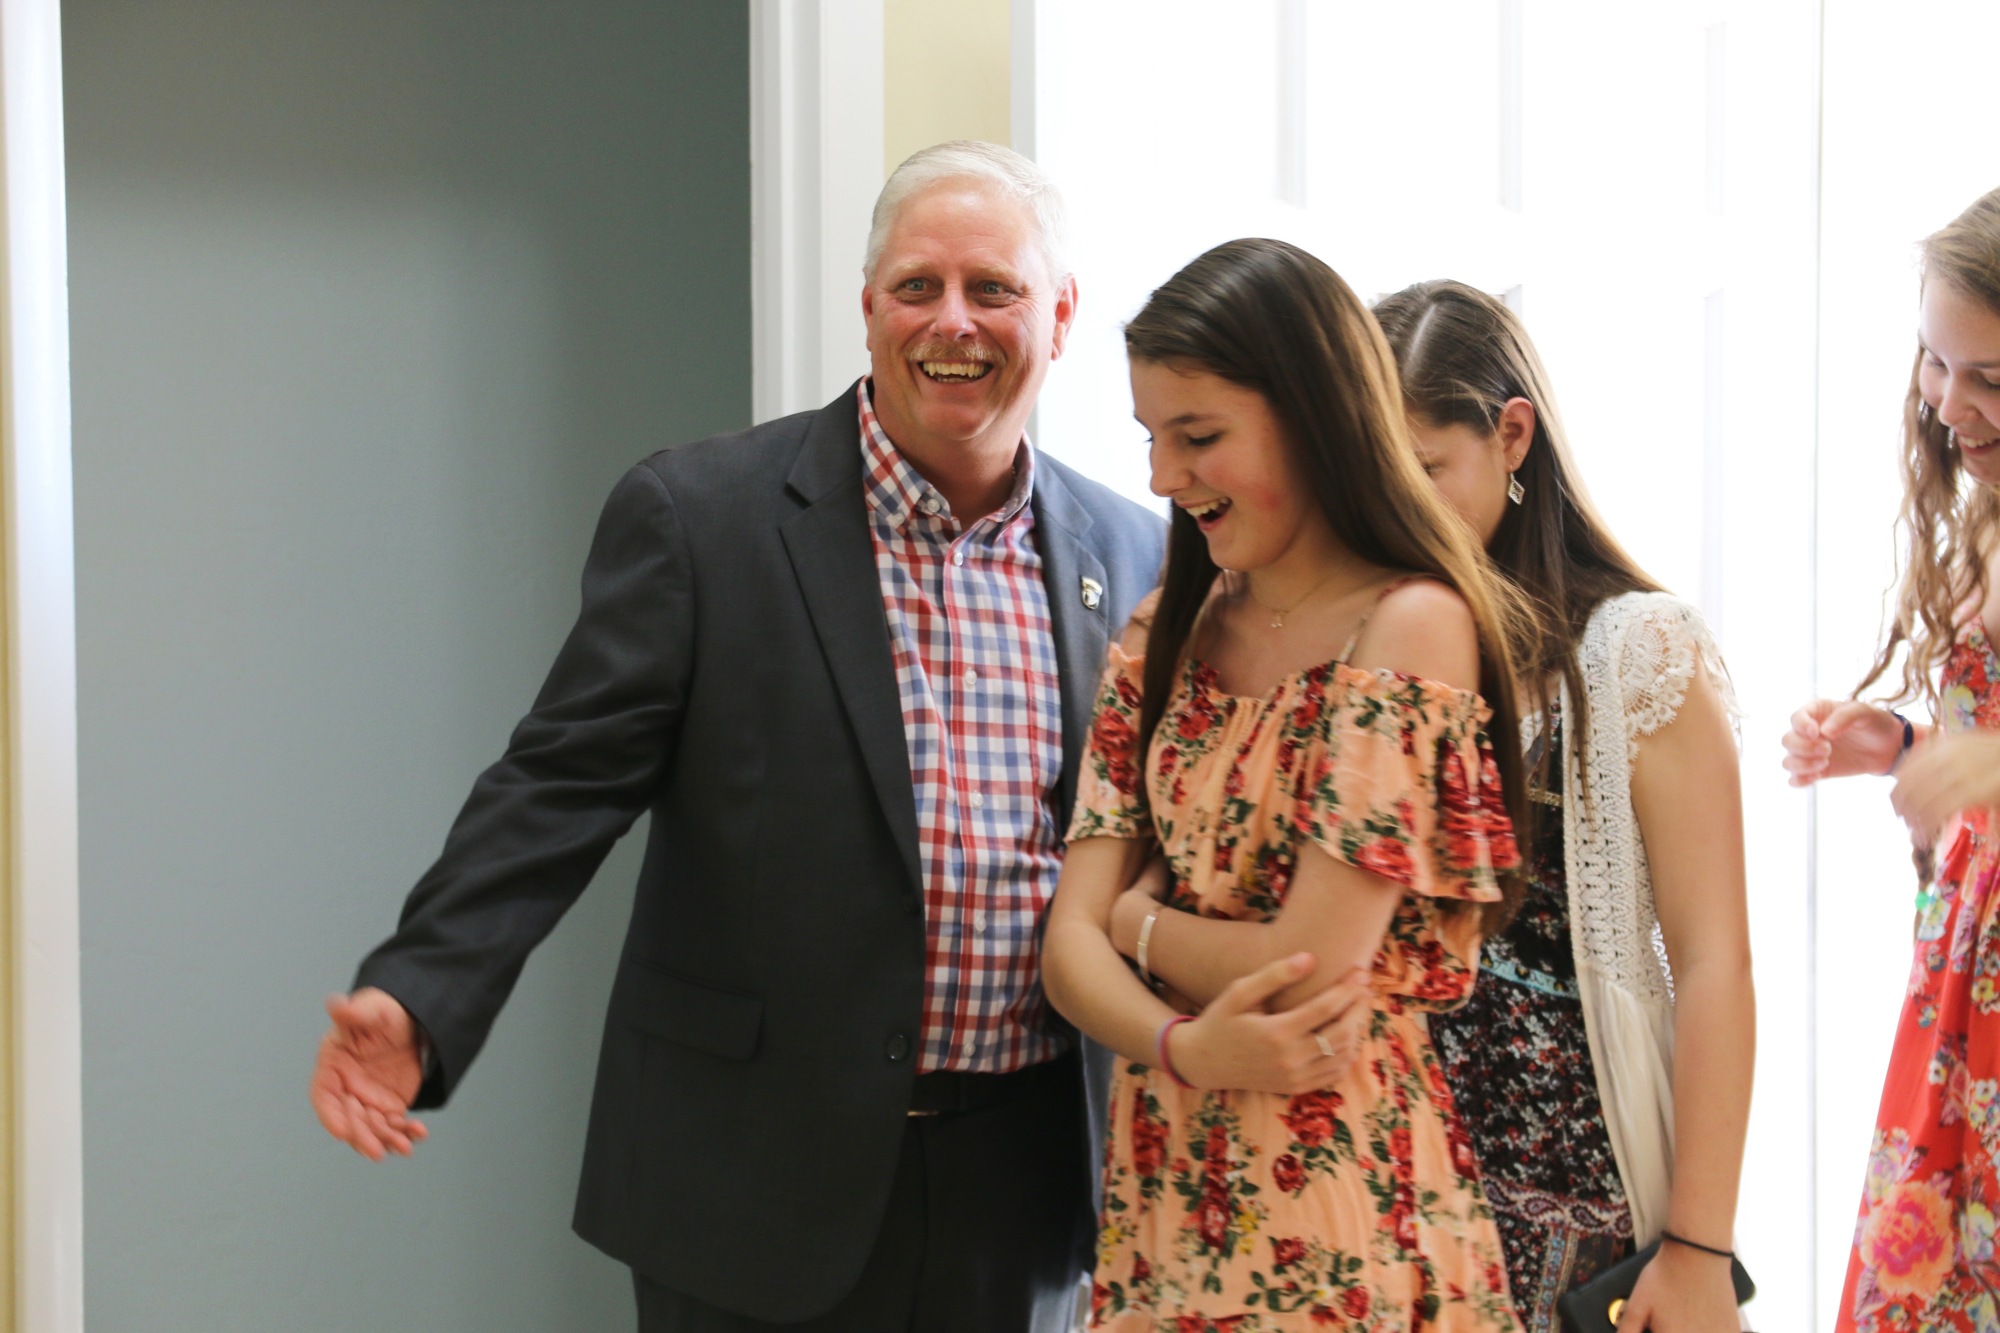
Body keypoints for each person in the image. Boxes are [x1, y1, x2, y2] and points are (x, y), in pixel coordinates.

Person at [306, 140, 1169, 1333]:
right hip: (749, 1181)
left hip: (1021, 1190)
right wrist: (422, 989)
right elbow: (554, 787)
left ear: (1059, 314)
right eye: (916, 286)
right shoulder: (701, 518)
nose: (951, 322)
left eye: (994, 289)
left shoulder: (1138, 557)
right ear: (867, 309)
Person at [1042, 237, 1531, 1331]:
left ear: (1313, 415)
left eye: (1198, 436)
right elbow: (1063, 950)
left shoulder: (1409, 626)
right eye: (1152, 439)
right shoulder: (1162, 632)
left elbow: (1304, 964)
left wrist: (1139, 922)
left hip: (1339, 1197)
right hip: (1164, 1186)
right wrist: (1177, 1040)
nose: (1163, 477)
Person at [1376, 280, 1754, 1332]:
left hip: (1577, 1221)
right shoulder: (1366, 646)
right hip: (1384, 1203)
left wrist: (1697, 1247)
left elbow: (1714, 959)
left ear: (1509, 434)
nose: (1398, 511)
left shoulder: (1636, 650)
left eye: (1424, 472)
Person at [1782, 185, 2000, 1333]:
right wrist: (1907, 747)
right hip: (1962, 999)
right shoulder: (1985, 512)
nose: (1948, 405)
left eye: (1988, 379)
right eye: (1933, 361)